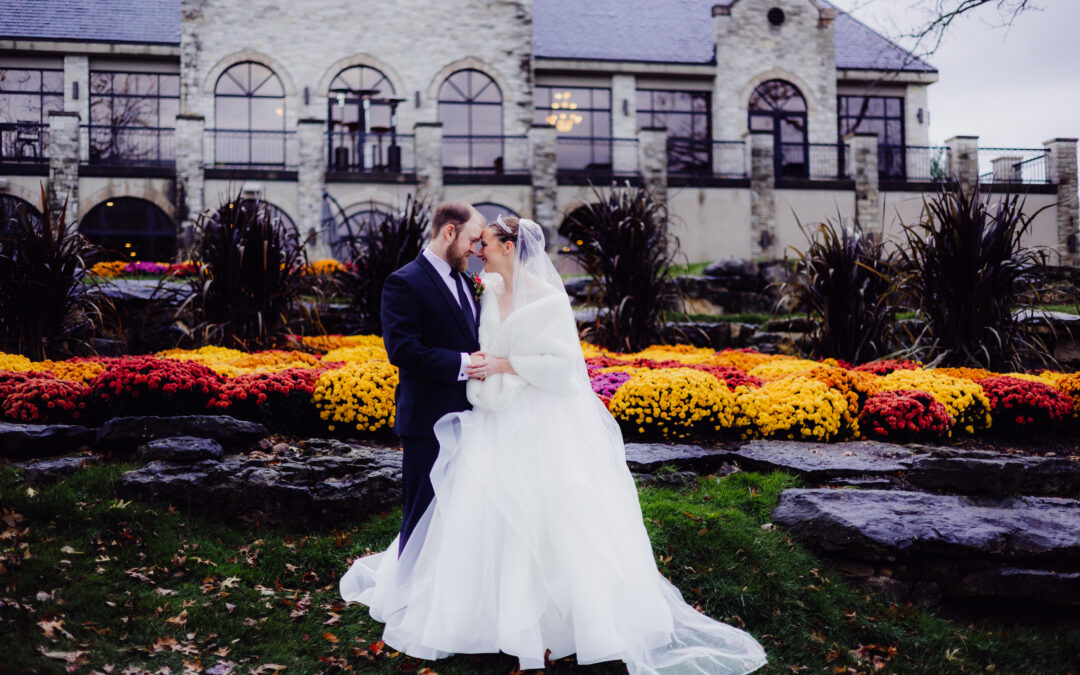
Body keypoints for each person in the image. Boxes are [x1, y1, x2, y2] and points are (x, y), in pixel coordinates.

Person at [340, 214, 768, 674]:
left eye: (485, 243)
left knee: (545, 515)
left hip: (537, 419)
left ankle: (552, 622)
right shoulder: (490, 292)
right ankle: (480, 614)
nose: (478, 251)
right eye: (476, 242)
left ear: (508, 246)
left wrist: (503, 364)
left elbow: (562, 368)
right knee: (482, 513)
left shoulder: (546, 299)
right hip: (491, 418)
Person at [377, 201, 485, 556]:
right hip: (427, 420)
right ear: (449, 231)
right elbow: (404, 350)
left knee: (460, 516)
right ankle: (406, 594)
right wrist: (465, 364)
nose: (476, 249)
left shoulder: (468, 281)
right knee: (421, 515)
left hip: (471, 419)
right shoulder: (404, 281)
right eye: (472, 240)